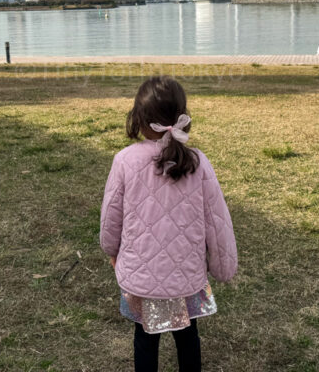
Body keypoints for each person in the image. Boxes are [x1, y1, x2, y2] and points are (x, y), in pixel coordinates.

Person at [100, 76, 238, 372]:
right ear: (182, 117)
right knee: (187, 336)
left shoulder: (125, 160)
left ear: (139, 118)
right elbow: (218, 221)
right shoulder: (197, 162)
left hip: (141, 275)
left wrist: (111, 250)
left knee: (145, 339)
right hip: (186, 275)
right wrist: (223, 266)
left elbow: (111, 216)